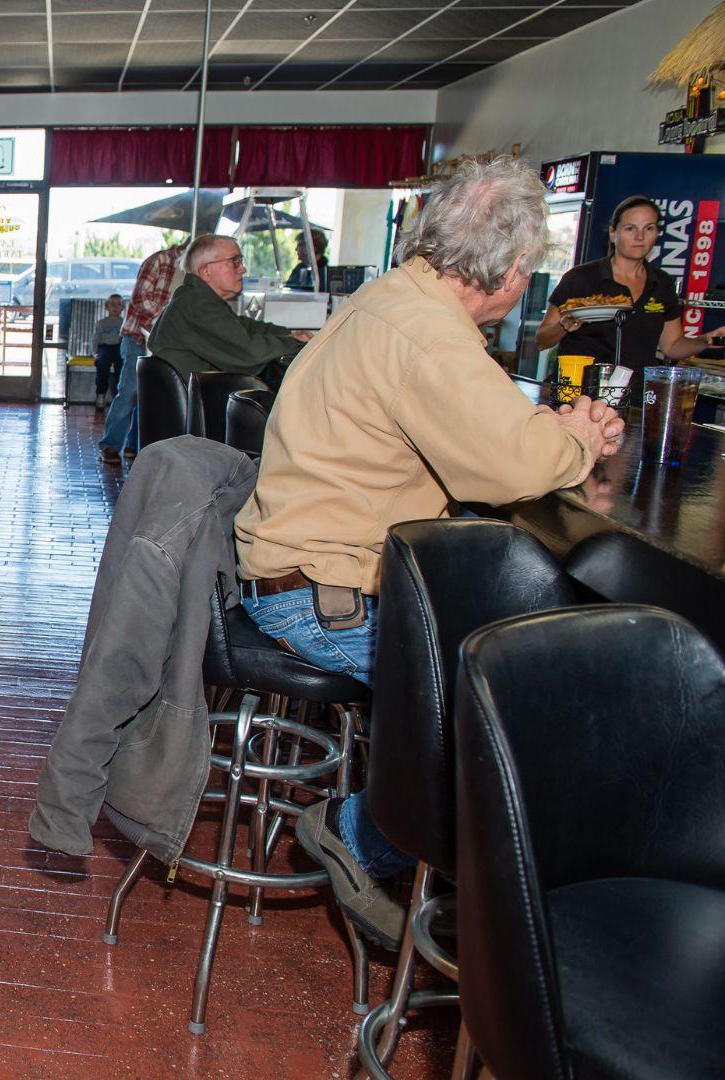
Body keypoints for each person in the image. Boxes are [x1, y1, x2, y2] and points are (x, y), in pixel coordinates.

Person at [233, 154, 627, 947]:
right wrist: (578, 439)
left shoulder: (395, 298)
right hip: (324, 599)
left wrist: (553, 438)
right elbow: (515, 465)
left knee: (512, 683)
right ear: (515, 272)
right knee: (514, 715)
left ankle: (458, 865)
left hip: (297, 573)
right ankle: (365, 832)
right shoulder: (428, 334)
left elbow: (482, 435)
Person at [535, 195, 725, 368]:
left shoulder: (661, 283)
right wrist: (563, 326)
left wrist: (704, 340)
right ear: (612, 232)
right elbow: (542, 340)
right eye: (630, 228)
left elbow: (672, 346)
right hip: (581, 390)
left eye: (649, 228)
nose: (640, 237)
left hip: (634, 394)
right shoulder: (580, 278)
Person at [146, 234, 313, 381]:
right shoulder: (197, 305)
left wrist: (288, 334)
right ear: (206, 272)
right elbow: (249, 353)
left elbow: (242, 326)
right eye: (235, 261)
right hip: (205, 407)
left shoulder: (195, 298)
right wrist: (292, 342)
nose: (243, 269)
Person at [100, 240, 182, 463]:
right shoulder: (160, 260)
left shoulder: (188, 269)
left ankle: (133, 446)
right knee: (130, 392)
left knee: (149, 395)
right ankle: (110, 444)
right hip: (137, 336)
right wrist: (164, 321)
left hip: (162, 340)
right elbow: (138, 298)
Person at [91, 295, 125, 407]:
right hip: (105, 347)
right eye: (112, 304)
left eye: (118, 305)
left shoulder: (124, 323)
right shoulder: (101, 323)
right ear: (107, 307)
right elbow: (95, 339)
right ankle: (101, 394)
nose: (115, 307)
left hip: (119, 348)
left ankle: (119, 396)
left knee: (121, 366)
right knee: (102, 363)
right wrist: (94, 352)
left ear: (123, 307)